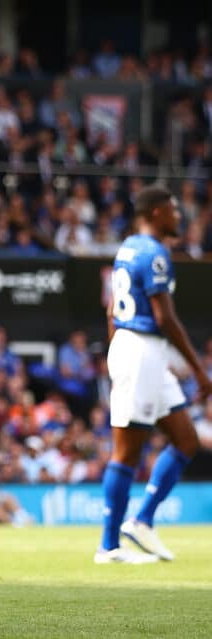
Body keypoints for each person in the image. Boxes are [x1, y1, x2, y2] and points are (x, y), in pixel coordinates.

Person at [96, 185, 212, 564]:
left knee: (187, 440)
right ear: (158, 212)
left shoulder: (127, 247)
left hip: (139, 350)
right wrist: (199, 370)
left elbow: (112, 308)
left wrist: (115, 351)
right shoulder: (153, 253)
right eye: (174, 211)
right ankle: (109, 546)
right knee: (126, 451)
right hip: (142, 349)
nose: (179, 217)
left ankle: (142, 521)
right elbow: (165, 318)